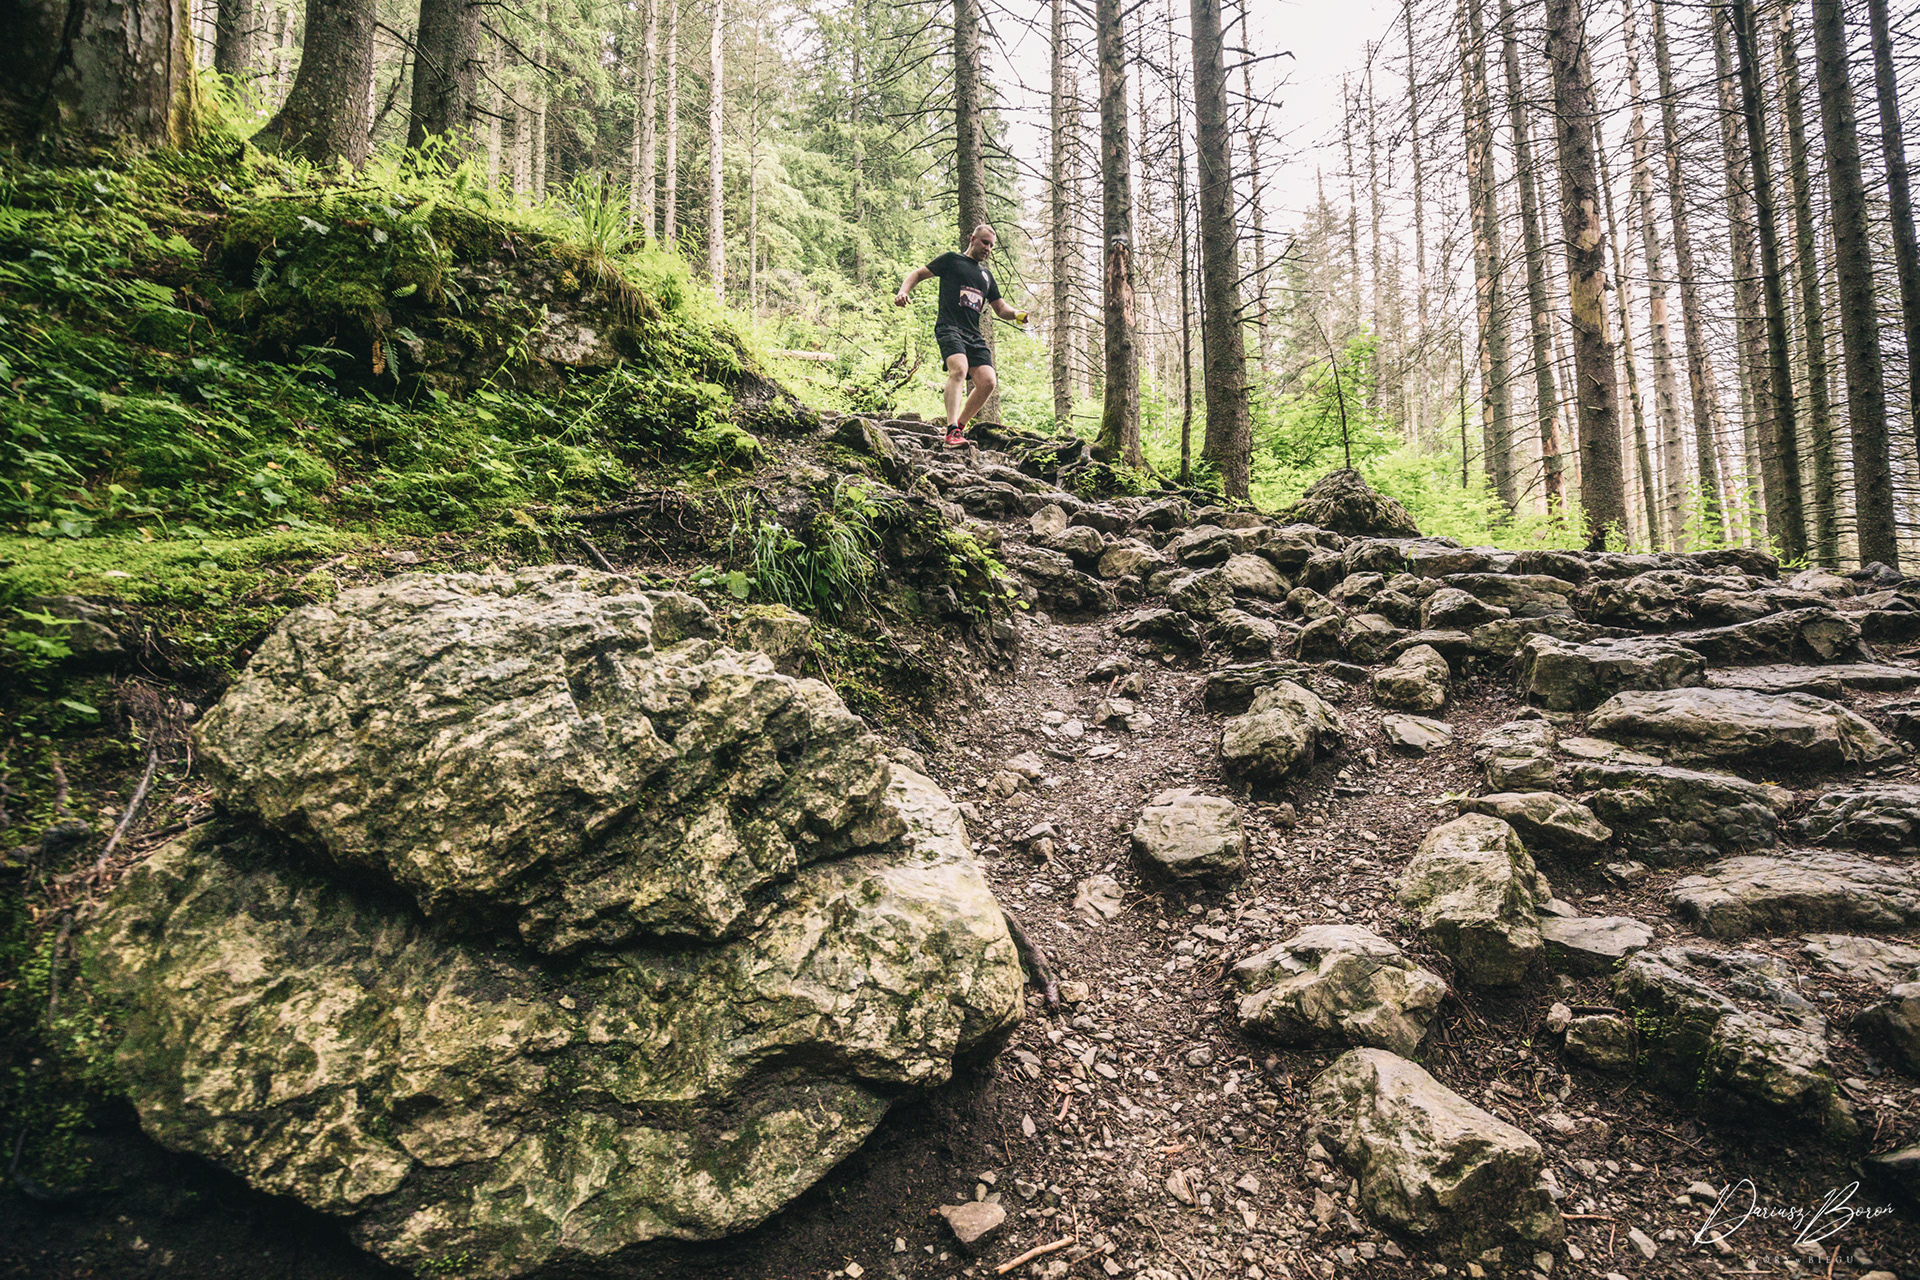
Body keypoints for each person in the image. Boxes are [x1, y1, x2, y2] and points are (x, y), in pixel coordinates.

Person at [894, 223, 1028, 447]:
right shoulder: (951, 260)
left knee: (988, 382)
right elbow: (918, 274)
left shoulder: (986, 276)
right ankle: (951, 430)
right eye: (984, 243)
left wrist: (1016, 314)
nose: (988, 249)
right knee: (959, 369)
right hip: (949, 327)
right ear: (972, 238)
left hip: (973, 334)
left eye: (991, 246)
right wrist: (903, 291)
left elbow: (1000, 308)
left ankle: (959, 426)